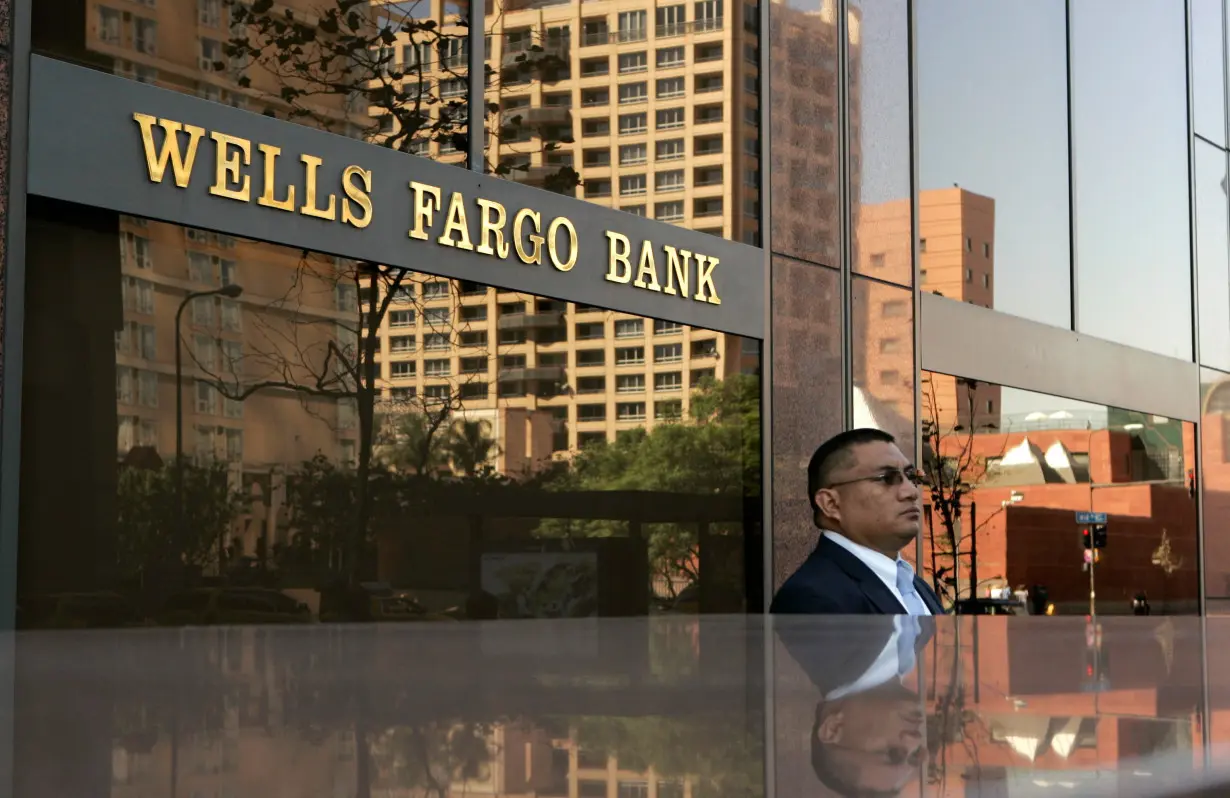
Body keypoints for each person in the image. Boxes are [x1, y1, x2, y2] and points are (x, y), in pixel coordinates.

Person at [771, 428, 944, 615]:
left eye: (911, 477)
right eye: (887, 479)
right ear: (830, 503)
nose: (911, 492)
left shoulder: (914, 585)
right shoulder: (811, 598)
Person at [776, 614, 932, 796]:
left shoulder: (812, 631)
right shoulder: (921, 635)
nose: (915, 740)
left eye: (893, 753)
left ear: (834, 728)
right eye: (915, 756)